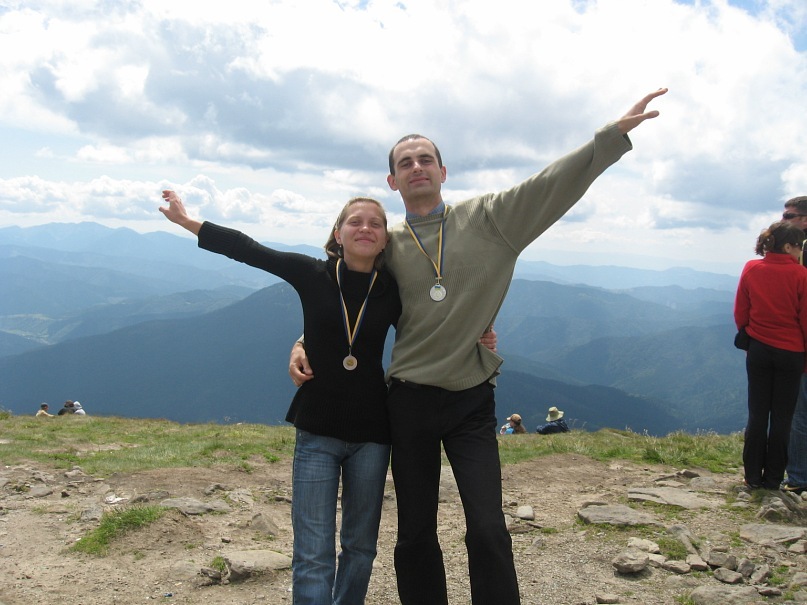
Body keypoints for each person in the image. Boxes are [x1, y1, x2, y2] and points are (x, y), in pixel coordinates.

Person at [290, 88, 667, 604]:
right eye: (405, 162)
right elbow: (340, 298)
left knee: (488, 526)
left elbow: (549, 185)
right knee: (415, 531)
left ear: (443, 172)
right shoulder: (387, 243)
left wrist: (609, 137)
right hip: (408, 400)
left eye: (426, 159)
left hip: (471, 399)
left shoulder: (491, 219)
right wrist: (302, 341)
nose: (417, 167)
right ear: (392, 181)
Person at [159, 190, 402, 604]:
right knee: (312, 553)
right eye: (355, 221)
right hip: (317, 430)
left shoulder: (393, 289)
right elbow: (249, 249)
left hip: (373, 433)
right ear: (338, 234)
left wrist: (481, 334)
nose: (365, 228)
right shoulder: (312, 273)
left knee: (361, 548)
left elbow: (436, 322)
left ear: (384, 240)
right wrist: (188, 222)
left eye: (375, 224)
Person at [734, 221, 807, 490]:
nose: (800, 252)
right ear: (788, 247)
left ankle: (752, 477)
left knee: (757, 415)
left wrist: (749, 340)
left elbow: (741, 311)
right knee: (782, 418)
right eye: (799, 247)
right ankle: (773, 479)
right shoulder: (801, 275)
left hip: (759, 350)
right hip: (791, 353)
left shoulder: (751, 268)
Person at [781, 196, 807, 493]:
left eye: (789, 216)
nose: (783, 220)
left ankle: (799, 478)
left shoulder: (801, 254)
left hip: (797, 343)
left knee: (799, 413)